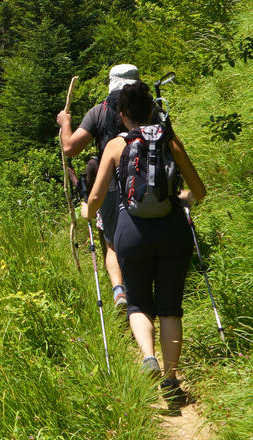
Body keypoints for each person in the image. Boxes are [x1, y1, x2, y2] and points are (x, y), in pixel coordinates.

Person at [82, 80, 207, 407]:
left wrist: (86, 210)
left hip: (131, 231)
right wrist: (179, 198)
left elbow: (95, 198)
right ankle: (171, 379)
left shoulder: (115, 145)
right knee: (170, 307)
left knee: (137, 302)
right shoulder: (169, 140)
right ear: (152, 110)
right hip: (172, 230)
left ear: (122, 115)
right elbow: (199, 190)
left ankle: (148, 356)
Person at [57, 64, 143, 311]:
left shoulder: (100, 111)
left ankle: (119, 290)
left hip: (112, 184)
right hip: (146, 182)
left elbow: (70, 147)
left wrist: (65, 122)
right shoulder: (152, 110)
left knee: (112, 242)